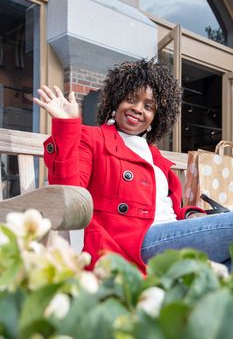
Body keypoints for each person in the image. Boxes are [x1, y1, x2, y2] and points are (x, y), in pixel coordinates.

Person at [33, 58, 233, 274]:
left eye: (148, 106)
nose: (138, 109)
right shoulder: (93, 138)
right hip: (131, 245)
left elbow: (166, 209)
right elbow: (69, 194)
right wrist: (66, 125)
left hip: (169, 235)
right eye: (131, 99)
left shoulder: (154, 156)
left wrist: (190, 215)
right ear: (116, 102)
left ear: (156, 117)